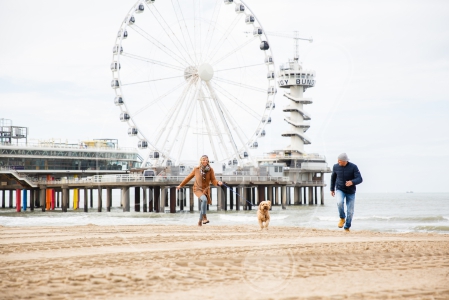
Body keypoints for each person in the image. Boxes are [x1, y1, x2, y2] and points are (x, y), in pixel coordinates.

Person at [177, 155, 222, 227]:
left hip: (206, 189)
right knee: (204, 200)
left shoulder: (210, 170)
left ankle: (199, 221)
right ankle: (204, 217)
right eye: (203, 160)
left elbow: (213, 180)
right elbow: (188, 178)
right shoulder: (196, 169)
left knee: (203, 204)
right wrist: (181, 185)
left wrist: (217, 183)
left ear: (208, 161)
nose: (205, 161)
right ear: (201, 161)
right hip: (197, 189)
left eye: (206, 160)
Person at [330, 153, 363, 232]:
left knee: (350, 211)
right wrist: (332, 189)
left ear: (345, 161)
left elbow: (360, 179)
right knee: (339, 202)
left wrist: (352, 182)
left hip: (351, 191)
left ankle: (347, 227)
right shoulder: (336, 166)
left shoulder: (353, 167)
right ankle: (342, 218)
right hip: (340, 189)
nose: (338, 162)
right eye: (338, 160)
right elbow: (333, 178)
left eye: (340, 161)